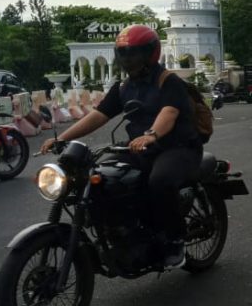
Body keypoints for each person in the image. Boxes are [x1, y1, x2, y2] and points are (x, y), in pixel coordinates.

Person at [40, 24, 203, 269]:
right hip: (140, 148)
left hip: (177, 147)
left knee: (160, 181)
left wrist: (151, 134)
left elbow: (169, 113)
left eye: (134, 54)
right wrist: (62, 138)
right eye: (124, 54)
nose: (128, 59)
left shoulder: (168, 81)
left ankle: (174, 240)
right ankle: (123, 231)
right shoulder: (124, 87)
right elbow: (98, 115)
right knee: (101, 178)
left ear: (150, 53)